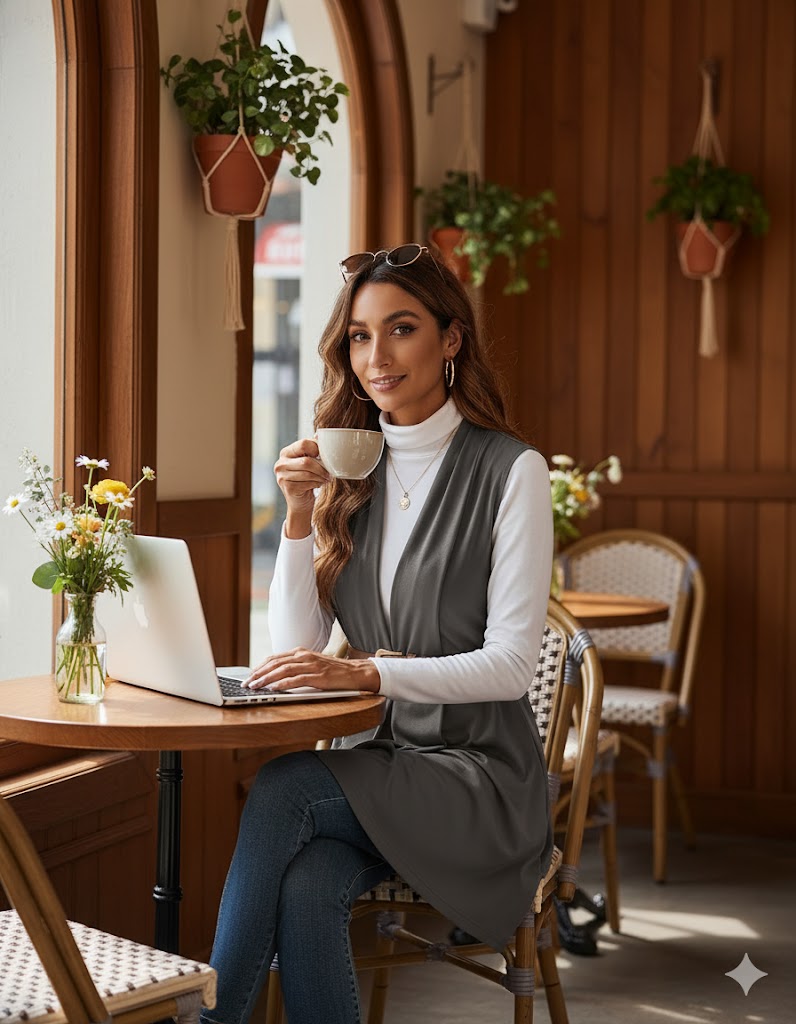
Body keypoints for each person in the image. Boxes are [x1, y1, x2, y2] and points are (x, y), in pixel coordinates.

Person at [201, 243, 554, 1024]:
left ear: (451, 339)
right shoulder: (352, 470)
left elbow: (511, 667)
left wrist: (371, 676)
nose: (376, 357)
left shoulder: (511, 470)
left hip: (478, 777)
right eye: (359, 336)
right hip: (384, 767)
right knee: (308, 881)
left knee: (286, 784)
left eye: (400, 329)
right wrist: (298, 518)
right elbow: (289, 650)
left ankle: (210, 1017)